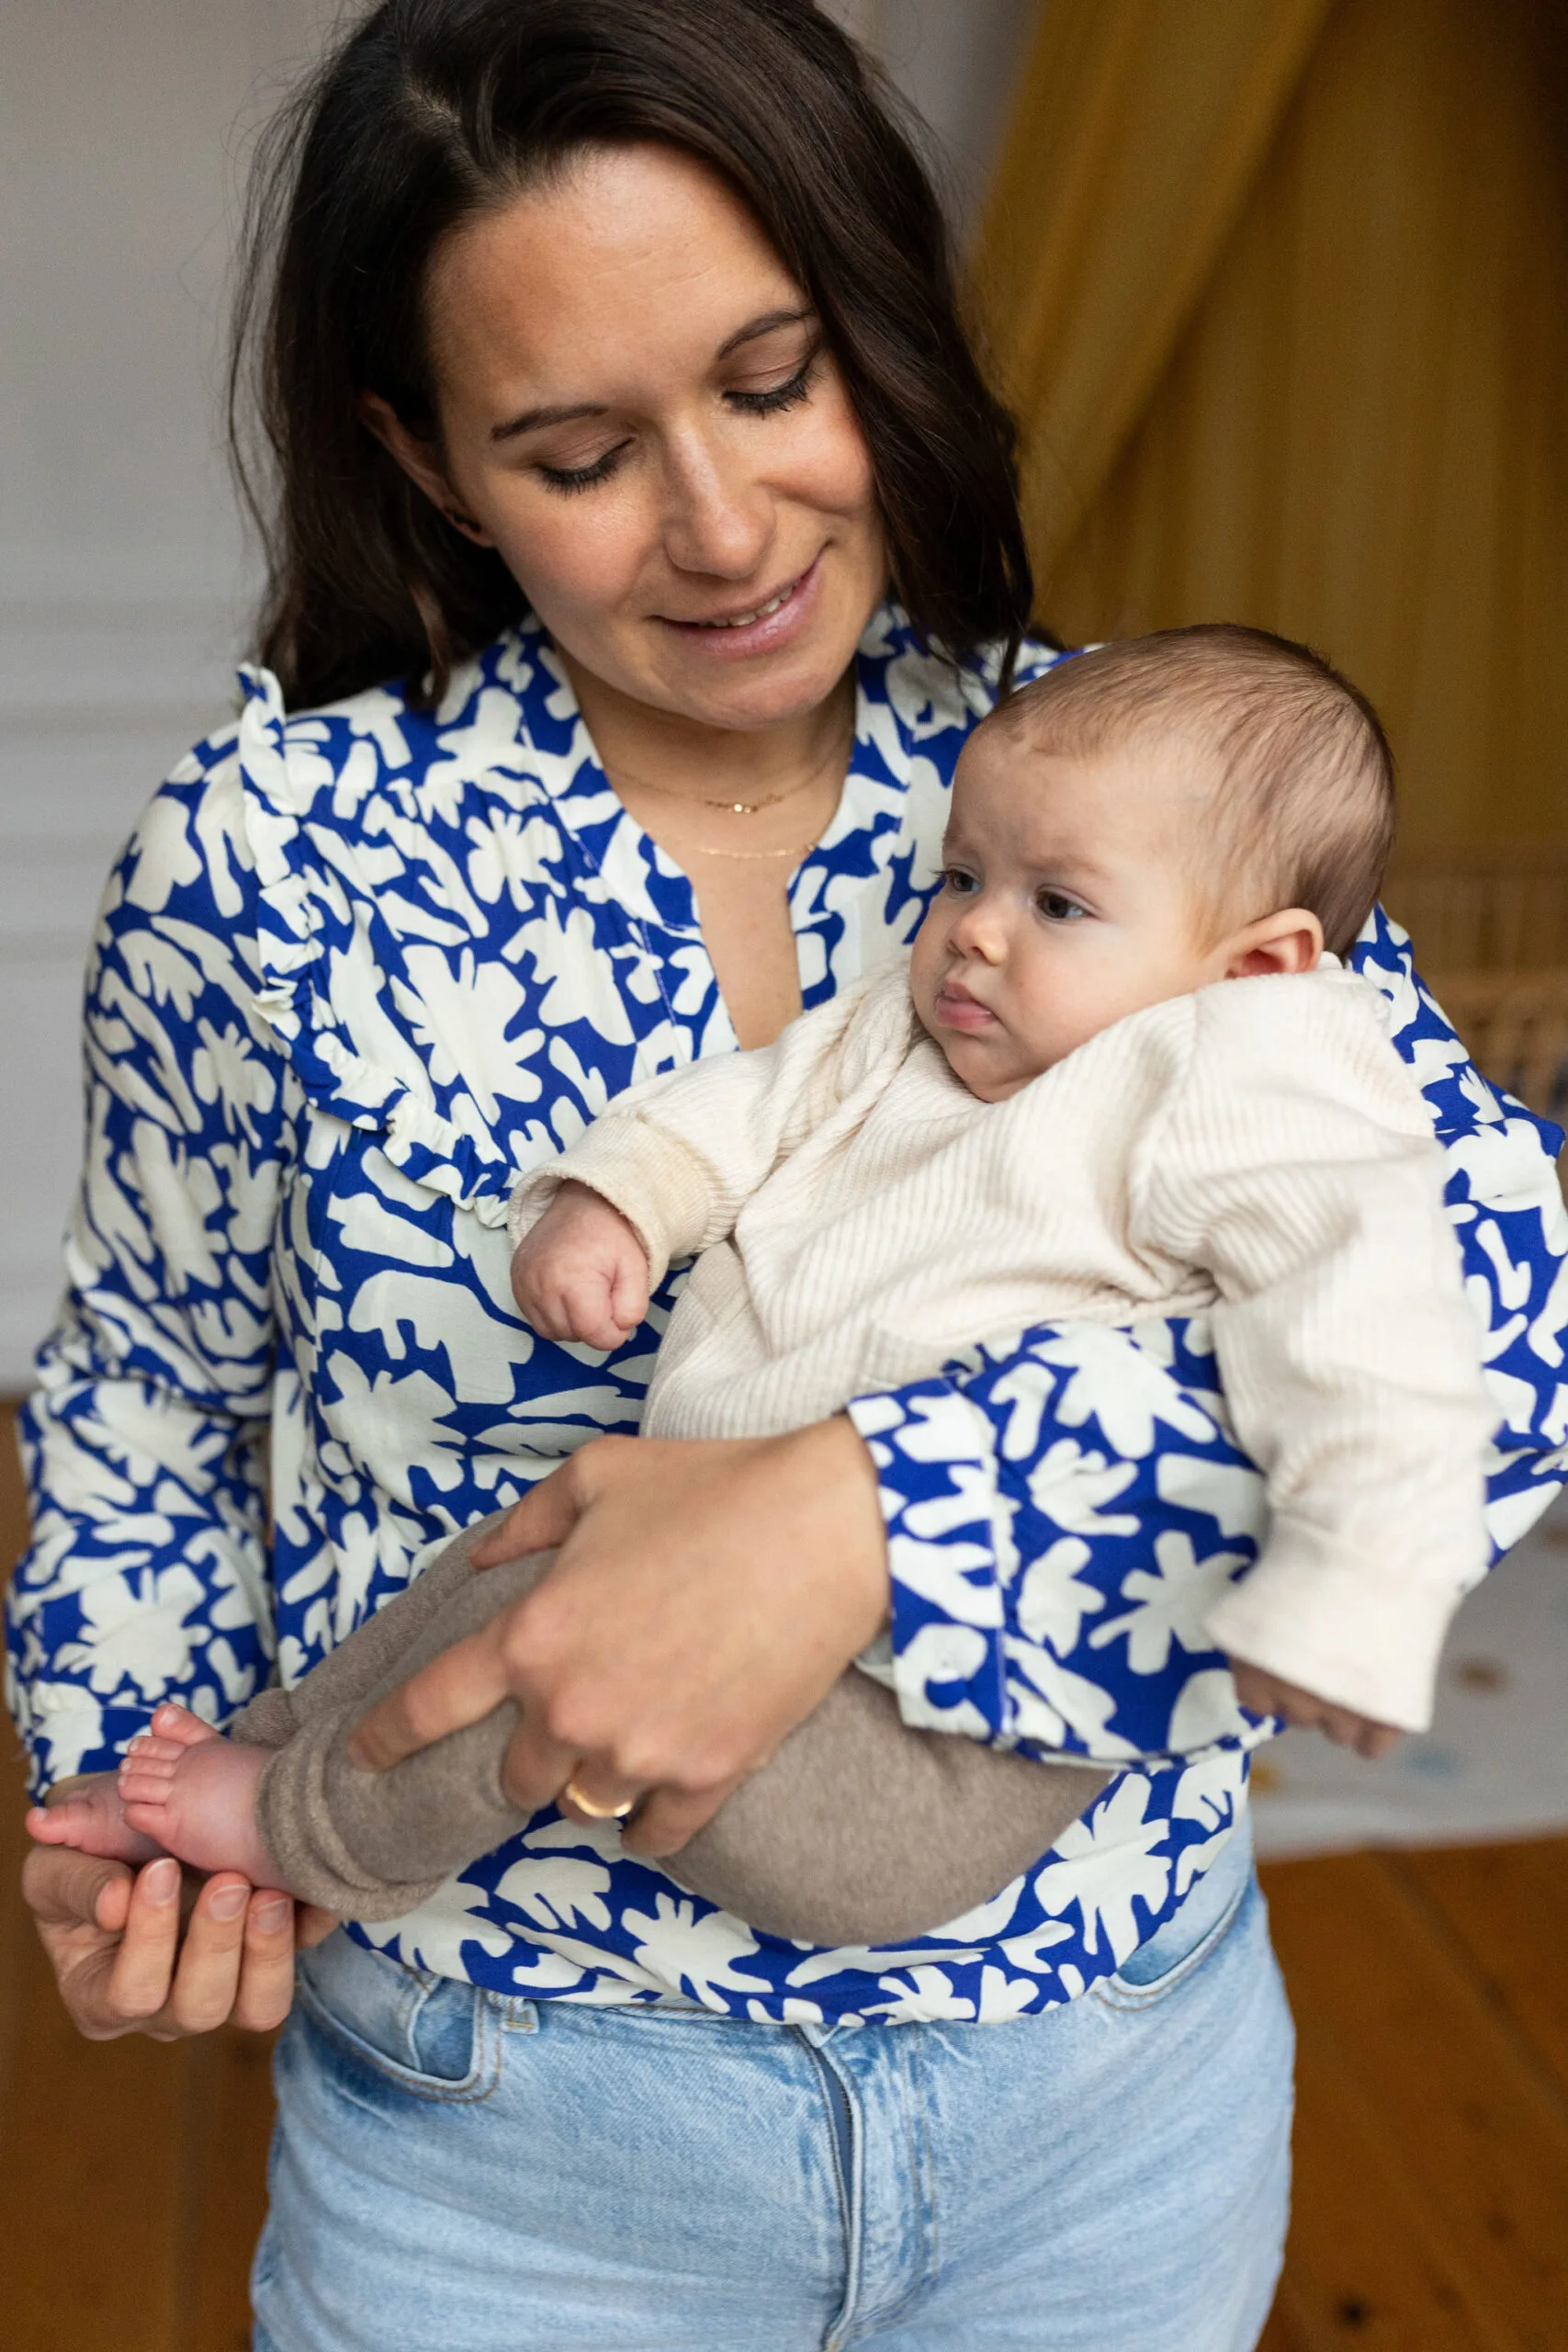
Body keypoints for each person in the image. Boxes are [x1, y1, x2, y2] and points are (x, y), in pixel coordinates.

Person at [7, 6, 1565, 2346]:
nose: (723, 529)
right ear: (427, 459)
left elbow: (1489, 1310)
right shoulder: (274, 863)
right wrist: (125, 1791)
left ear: (880, 328)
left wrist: (861, 1507)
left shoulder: (1134, 797)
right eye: (576, 451)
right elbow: (145, 1385)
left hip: (1105, 2101)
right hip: (501, 2141)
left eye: (771, 381)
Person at [28, 624, 1497, 1954]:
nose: (975, 929)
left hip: (935, 1743)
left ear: (1258, 966)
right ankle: (269, 1744)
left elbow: (1378, 1322)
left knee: (549, 1614)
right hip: (695, 1604)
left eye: (1056, 903)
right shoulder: (914, 1033)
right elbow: (743, 1108)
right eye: (962, 877)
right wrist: (620, 1201)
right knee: (493, 1563)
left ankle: (304, 1837)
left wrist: (1352, 1590)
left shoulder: (1244, 1070)